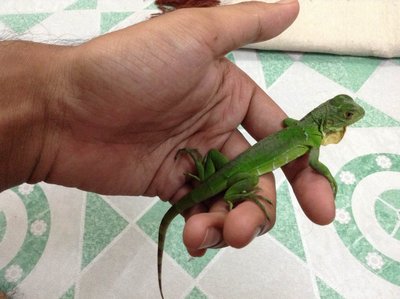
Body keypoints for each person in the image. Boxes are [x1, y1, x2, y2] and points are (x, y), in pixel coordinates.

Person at [0, 0, 335, 257]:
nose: (349, 119)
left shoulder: (301, 127)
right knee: (248, 184)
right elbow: (315, 166)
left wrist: (44, 108)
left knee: (227, 173)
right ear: (330, 120)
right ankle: (234, 193)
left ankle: (202, 171)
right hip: (240, 174)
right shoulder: (310, 140)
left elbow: (290, 123)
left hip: (226, 165)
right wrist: (330, 178)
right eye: (347, 116)